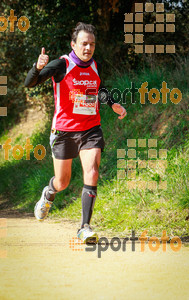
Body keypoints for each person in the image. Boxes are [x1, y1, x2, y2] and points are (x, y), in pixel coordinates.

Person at [24, 22, 127, 243]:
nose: (88, 48)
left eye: (92, 44)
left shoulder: (95, 65)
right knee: (63, 182)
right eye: (84, 43)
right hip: (64, 131)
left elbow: (98, 88)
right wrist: (37, 67)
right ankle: (49, 193)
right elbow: (29, 83)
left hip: (90, 129)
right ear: (74, 44)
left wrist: (112, 104)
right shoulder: (62, 64)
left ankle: (84, 227)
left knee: (92, 170)